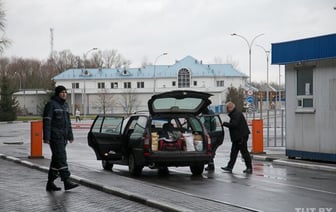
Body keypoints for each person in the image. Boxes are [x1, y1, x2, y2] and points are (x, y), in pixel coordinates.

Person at [43, 85, 79, 191]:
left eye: (65, 92)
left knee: (56, 160)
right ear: (58, 93)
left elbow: (68, 123)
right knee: (62, 158)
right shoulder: (51, 105)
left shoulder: (65, 106)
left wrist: (70, 135)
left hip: (63, 138)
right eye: (62, 92)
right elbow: (47, 121)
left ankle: (50, 183)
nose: (64, 94)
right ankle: (66, 180)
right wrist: (46, 137)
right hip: (55, 137)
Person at [221, 101, 253, 174]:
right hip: (237, 137)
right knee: (233, 153)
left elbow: (234, 125)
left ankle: (249, 167)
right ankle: (229, 167)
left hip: (241, 136)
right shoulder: (234, 114)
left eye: (227, 108)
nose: (227, 110)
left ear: (230, 107)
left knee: (244, 152)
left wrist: (224, 124)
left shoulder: (236, 114)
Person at [202, 107, 223, 172]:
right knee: (211, 150)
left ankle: (211, 165)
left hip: (210, 135)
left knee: (210, 150)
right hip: (213, 134)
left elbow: (209, 126)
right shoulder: (211, 115)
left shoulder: (208, 116)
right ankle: (210, 164)